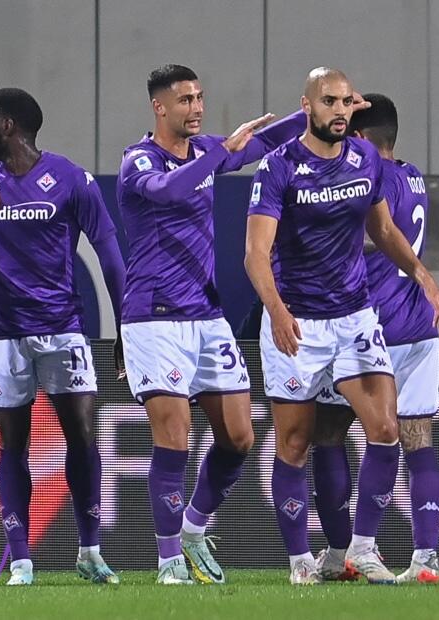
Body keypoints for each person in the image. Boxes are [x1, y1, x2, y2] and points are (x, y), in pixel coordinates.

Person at [244, 67, 439, 585]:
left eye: (345, 102)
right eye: (329, 101)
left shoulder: (364, 160)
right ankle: (300, 562)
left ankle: (359, 549)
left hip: (356, 318)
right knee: (293, 444)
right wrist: (276, 311)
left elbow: (383, 229)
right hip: (299, 323)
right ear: (308, 105)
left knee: (385, 432)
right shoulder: (278, 167)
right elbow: (255, 254)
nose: (339, 110)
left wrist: (423, 276)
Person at [116, 64, 313, 585]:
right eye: (185, 100)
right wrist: (220, 153)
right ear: (159, 107)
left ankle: (195, 526)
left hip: (206, 315)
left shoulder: (206, 152)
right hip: (154, 316)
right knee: (174, 440)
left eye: (200, 97)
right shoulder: (139, 159)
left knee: (240, 437)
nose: (196, 107)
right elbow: (166, 192)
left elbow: (260, 142)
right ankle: (167, 563)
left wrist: (313, 110)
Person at [0, 87, 125, 586]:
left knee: (83, 438)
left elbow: (109, 251)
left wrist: (124, 325)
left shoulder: (70, 178)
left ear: (7, 125)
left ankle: (89, 550)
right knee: (12, 447)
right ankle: (21, 559)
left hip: (63, 330)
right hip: (2, 335)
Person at [308, 93, 439, 584]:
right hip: (418, 329)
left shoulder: (364, 178)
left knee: (327, 433)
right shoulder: (413, 176)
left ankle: (344, 549)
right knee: (418, 440)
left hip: (367, 330)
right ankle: (425, 557)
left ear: (361, 139)